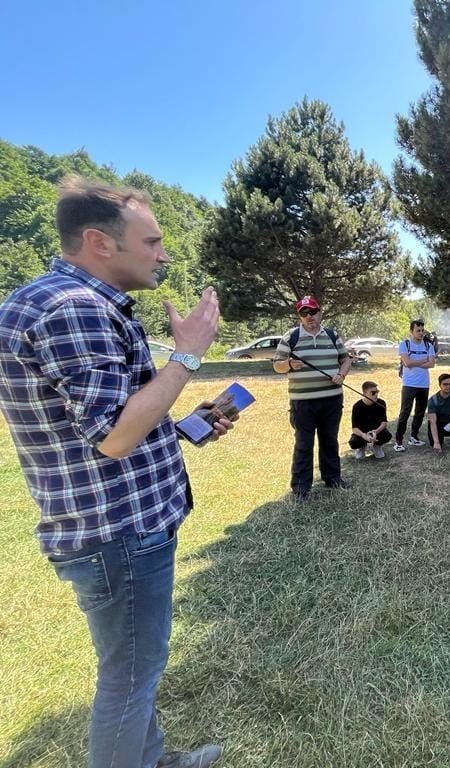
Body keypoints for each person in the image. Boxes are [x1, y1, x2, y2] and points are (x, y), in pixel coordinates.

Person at [0, 178, 230, 768]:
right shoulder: (74, 308)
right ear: (99, 242)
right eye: (151, 241)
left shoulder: (62, 301)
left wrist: (186, 426)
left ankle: (150, 759)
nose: (164, 255)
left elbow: (109, 423)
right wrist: (188, 355)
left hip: (112, 525)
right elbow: (114, 436)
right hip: (118, 533)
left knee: (135, 669)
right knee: (130, 677)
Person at [273, 295, 352, 498]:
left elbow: (346, 360)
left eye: (313, 312)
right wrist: (289, 364)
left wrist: (341, 375)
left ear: (320, 312)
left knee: (330, 440)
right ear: (300, 316)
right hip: (303, 402)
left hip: (332, 399)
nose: (309, 317)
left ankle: (333, 479)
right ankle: (301, 487)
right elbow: (277, 365)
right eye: (304, 313)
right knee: (304, 443)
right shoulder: (291, 337)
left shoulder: (332, 335)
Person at [393, 319, 437, 452]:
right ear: (411, 331)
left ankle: (414, 436)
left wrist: (414, 362)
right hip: (409, 384)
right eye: (418, 330)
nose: (421, 333)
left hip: (424, 384)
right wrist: (424, 360)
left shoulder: (428, 345)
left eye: (422, 330)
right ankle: (399, 441)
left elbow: (432, 364)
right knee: (405, 412)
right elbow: (407, 363)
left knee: (420, 412)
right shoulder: (405, 344)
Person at [348, 380, 391, 459]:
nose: (376, 394)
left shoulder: (381, 403)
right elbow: (354, 428)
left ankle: (377, 446)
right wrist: (364, 435)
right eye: (373, 393)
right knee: (353, 442)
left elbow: (384, 422)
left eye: (377, 392)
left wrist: (376, 431)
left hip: (376, 431)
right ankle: (361, 447)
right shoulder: (357, 406)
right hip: (363, 432)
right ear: (364, 393)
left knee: (387, 435)